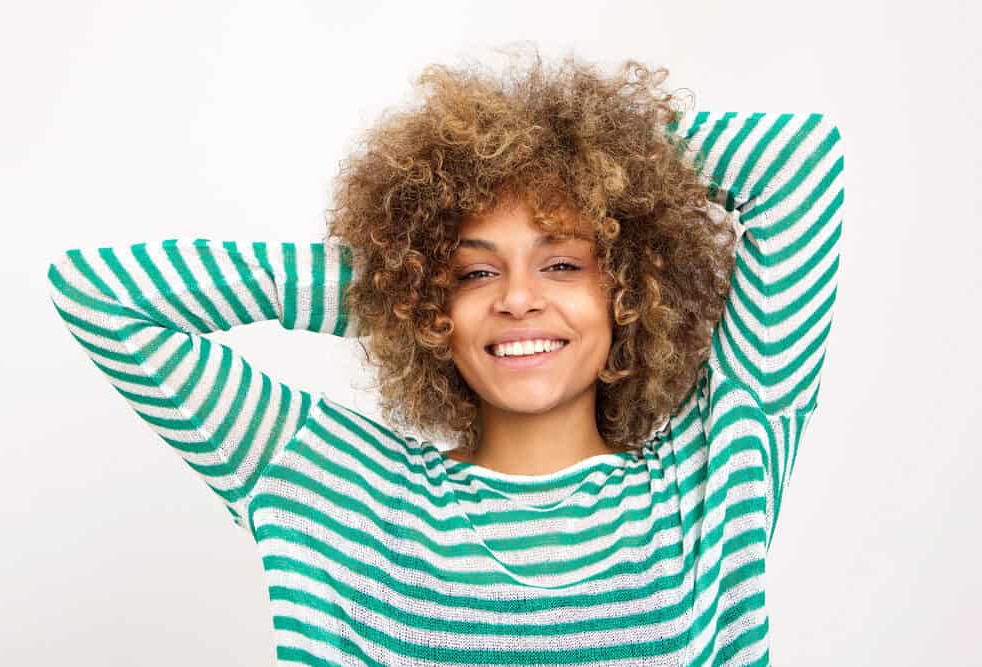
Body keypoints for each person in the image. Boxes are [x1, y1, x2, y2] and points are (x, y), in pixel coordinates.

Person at [46, 51, 844, 665]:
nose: (519, 298)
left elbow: (801, 164)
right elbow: (102, 298)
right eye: (477, 271)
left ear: (628, 290)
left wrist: (587, 143)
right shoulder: (333, 483)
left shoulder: (717, 470)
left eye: (562, 263)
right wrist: (401, 289)